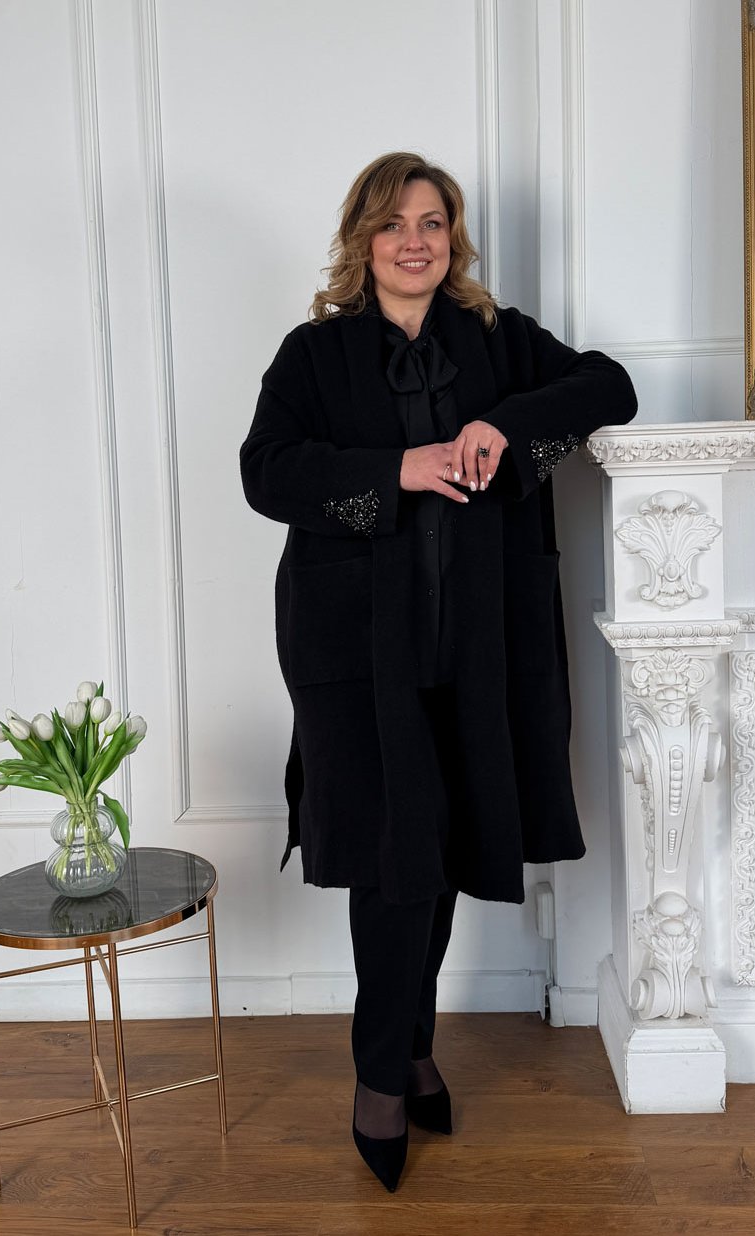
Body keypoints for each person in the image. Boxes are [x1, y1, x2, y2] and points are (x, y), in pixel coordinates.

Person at [240, 151, 637, 1192]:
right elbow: (265, 472)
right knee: (392, 854)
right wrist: (397, 470)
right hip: (354, 647)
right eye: (393, 223)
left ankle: (412, 1053)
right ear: (362, 239)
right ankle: (381, 1073)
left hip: (479, 642)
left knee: (442, 843)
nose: (414, 241)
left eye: (432, 221)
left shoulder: (497, 339)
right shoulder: (314, 353)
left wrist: (502, 423)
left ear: (451, 236)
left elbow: (611, 385)